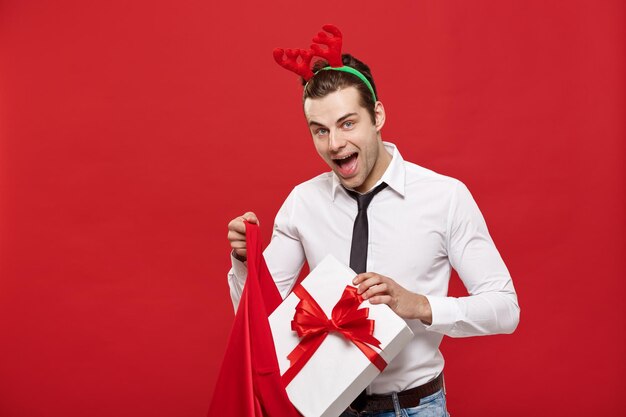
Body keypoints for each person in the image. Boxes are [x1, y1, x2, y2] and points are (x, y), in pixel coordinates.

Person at [226, 27, 520, 417]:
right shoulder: (303, 202)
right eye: (320, 130)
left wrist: (417, 304)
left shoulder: (445, 197)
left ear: (377, 116)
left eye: (348, 124)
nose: (334, 144)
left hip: (414, 408)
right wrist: (245, 263)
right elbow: (258, 325)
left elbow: (504, 309)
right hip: (326, 409)